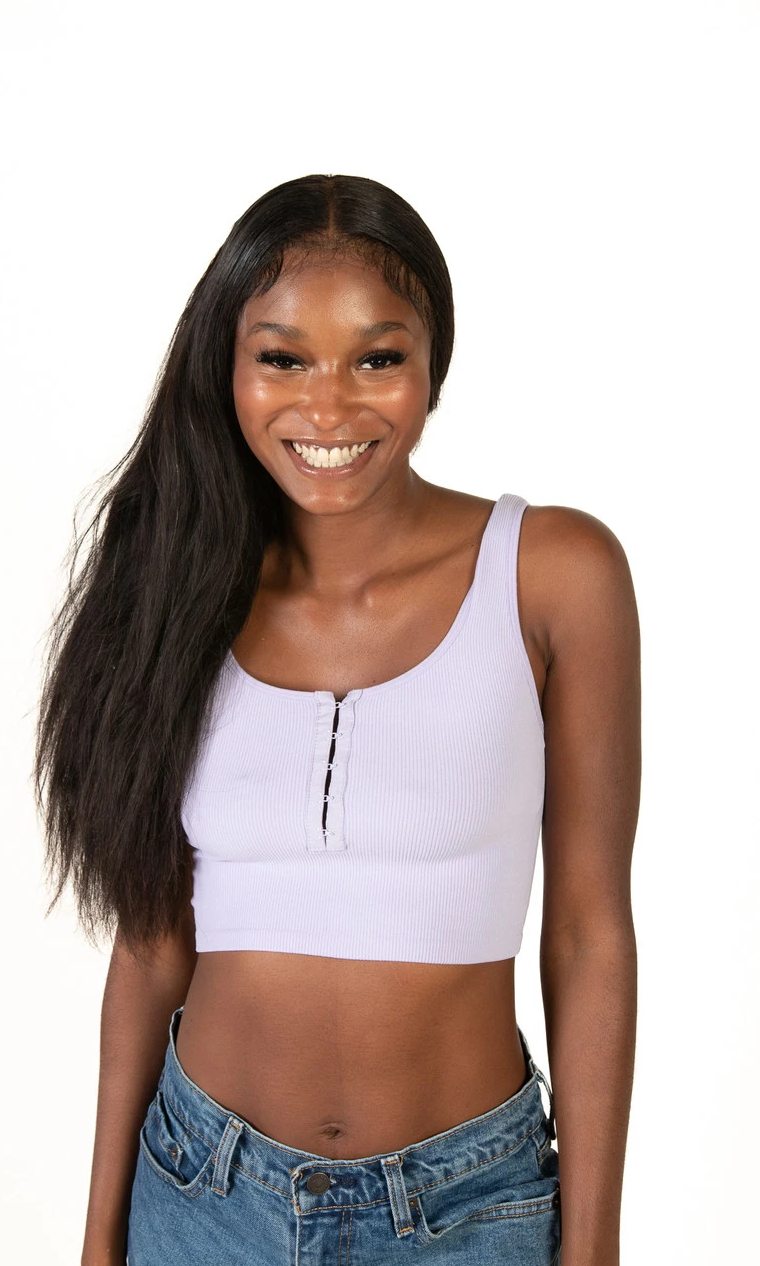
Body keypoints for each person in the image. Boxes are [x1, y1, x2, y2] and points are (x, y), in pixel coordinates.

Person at [34, 174, 640, 1266]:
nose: (327, 408)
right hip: (201, 1193)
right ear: (226, 367)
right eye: (282, 358)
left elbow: (589, 931)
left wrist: (591, 1246)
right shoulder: (175, 589)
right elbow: (151, 940)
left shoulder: (552, 572)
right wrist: (100, 1237)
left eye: (375, 358)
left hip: (470, 1209)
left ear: (432, 366)